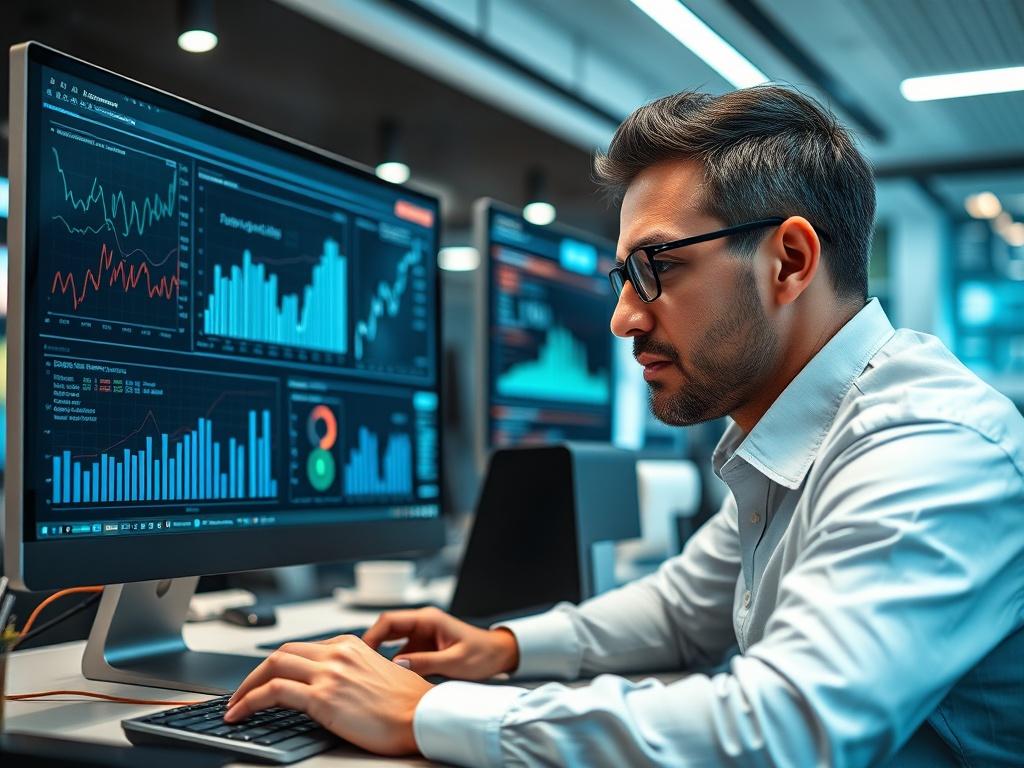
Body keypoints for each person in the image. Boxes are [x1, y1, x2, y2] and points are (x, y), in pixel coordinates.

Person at [224, 86, 1024, 766]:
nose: (621, 319)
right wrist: (500, 648)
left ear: (788, 260)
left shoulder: (927, 447)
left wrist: (424, 716)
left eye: (657, 268)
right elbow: (683, 608)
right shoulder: (790, 437)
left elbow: (786, 727)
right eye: (624, 276)